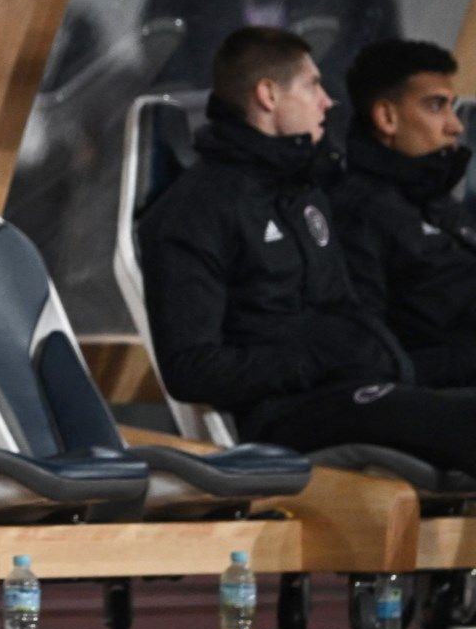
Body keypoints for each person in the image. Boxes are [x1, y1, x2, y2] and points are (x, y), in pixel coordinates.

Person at [138, 26, 476, 477]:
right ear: (268, 95)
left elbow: (348, 313)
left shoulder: (304, 194)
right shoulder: (194, 211)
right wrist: (318, 357)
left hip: (357, 386)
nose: (328, 101)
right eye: (313, 85)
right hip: (285, 414)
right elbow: (191, 368)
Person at [333, 39, 476, 386]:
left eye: (452, 108)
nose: (454, 126)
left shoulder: (435, 199)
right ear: (386, 117)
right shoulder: (357, 214)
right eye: (436, 106)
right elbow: (372, 358)